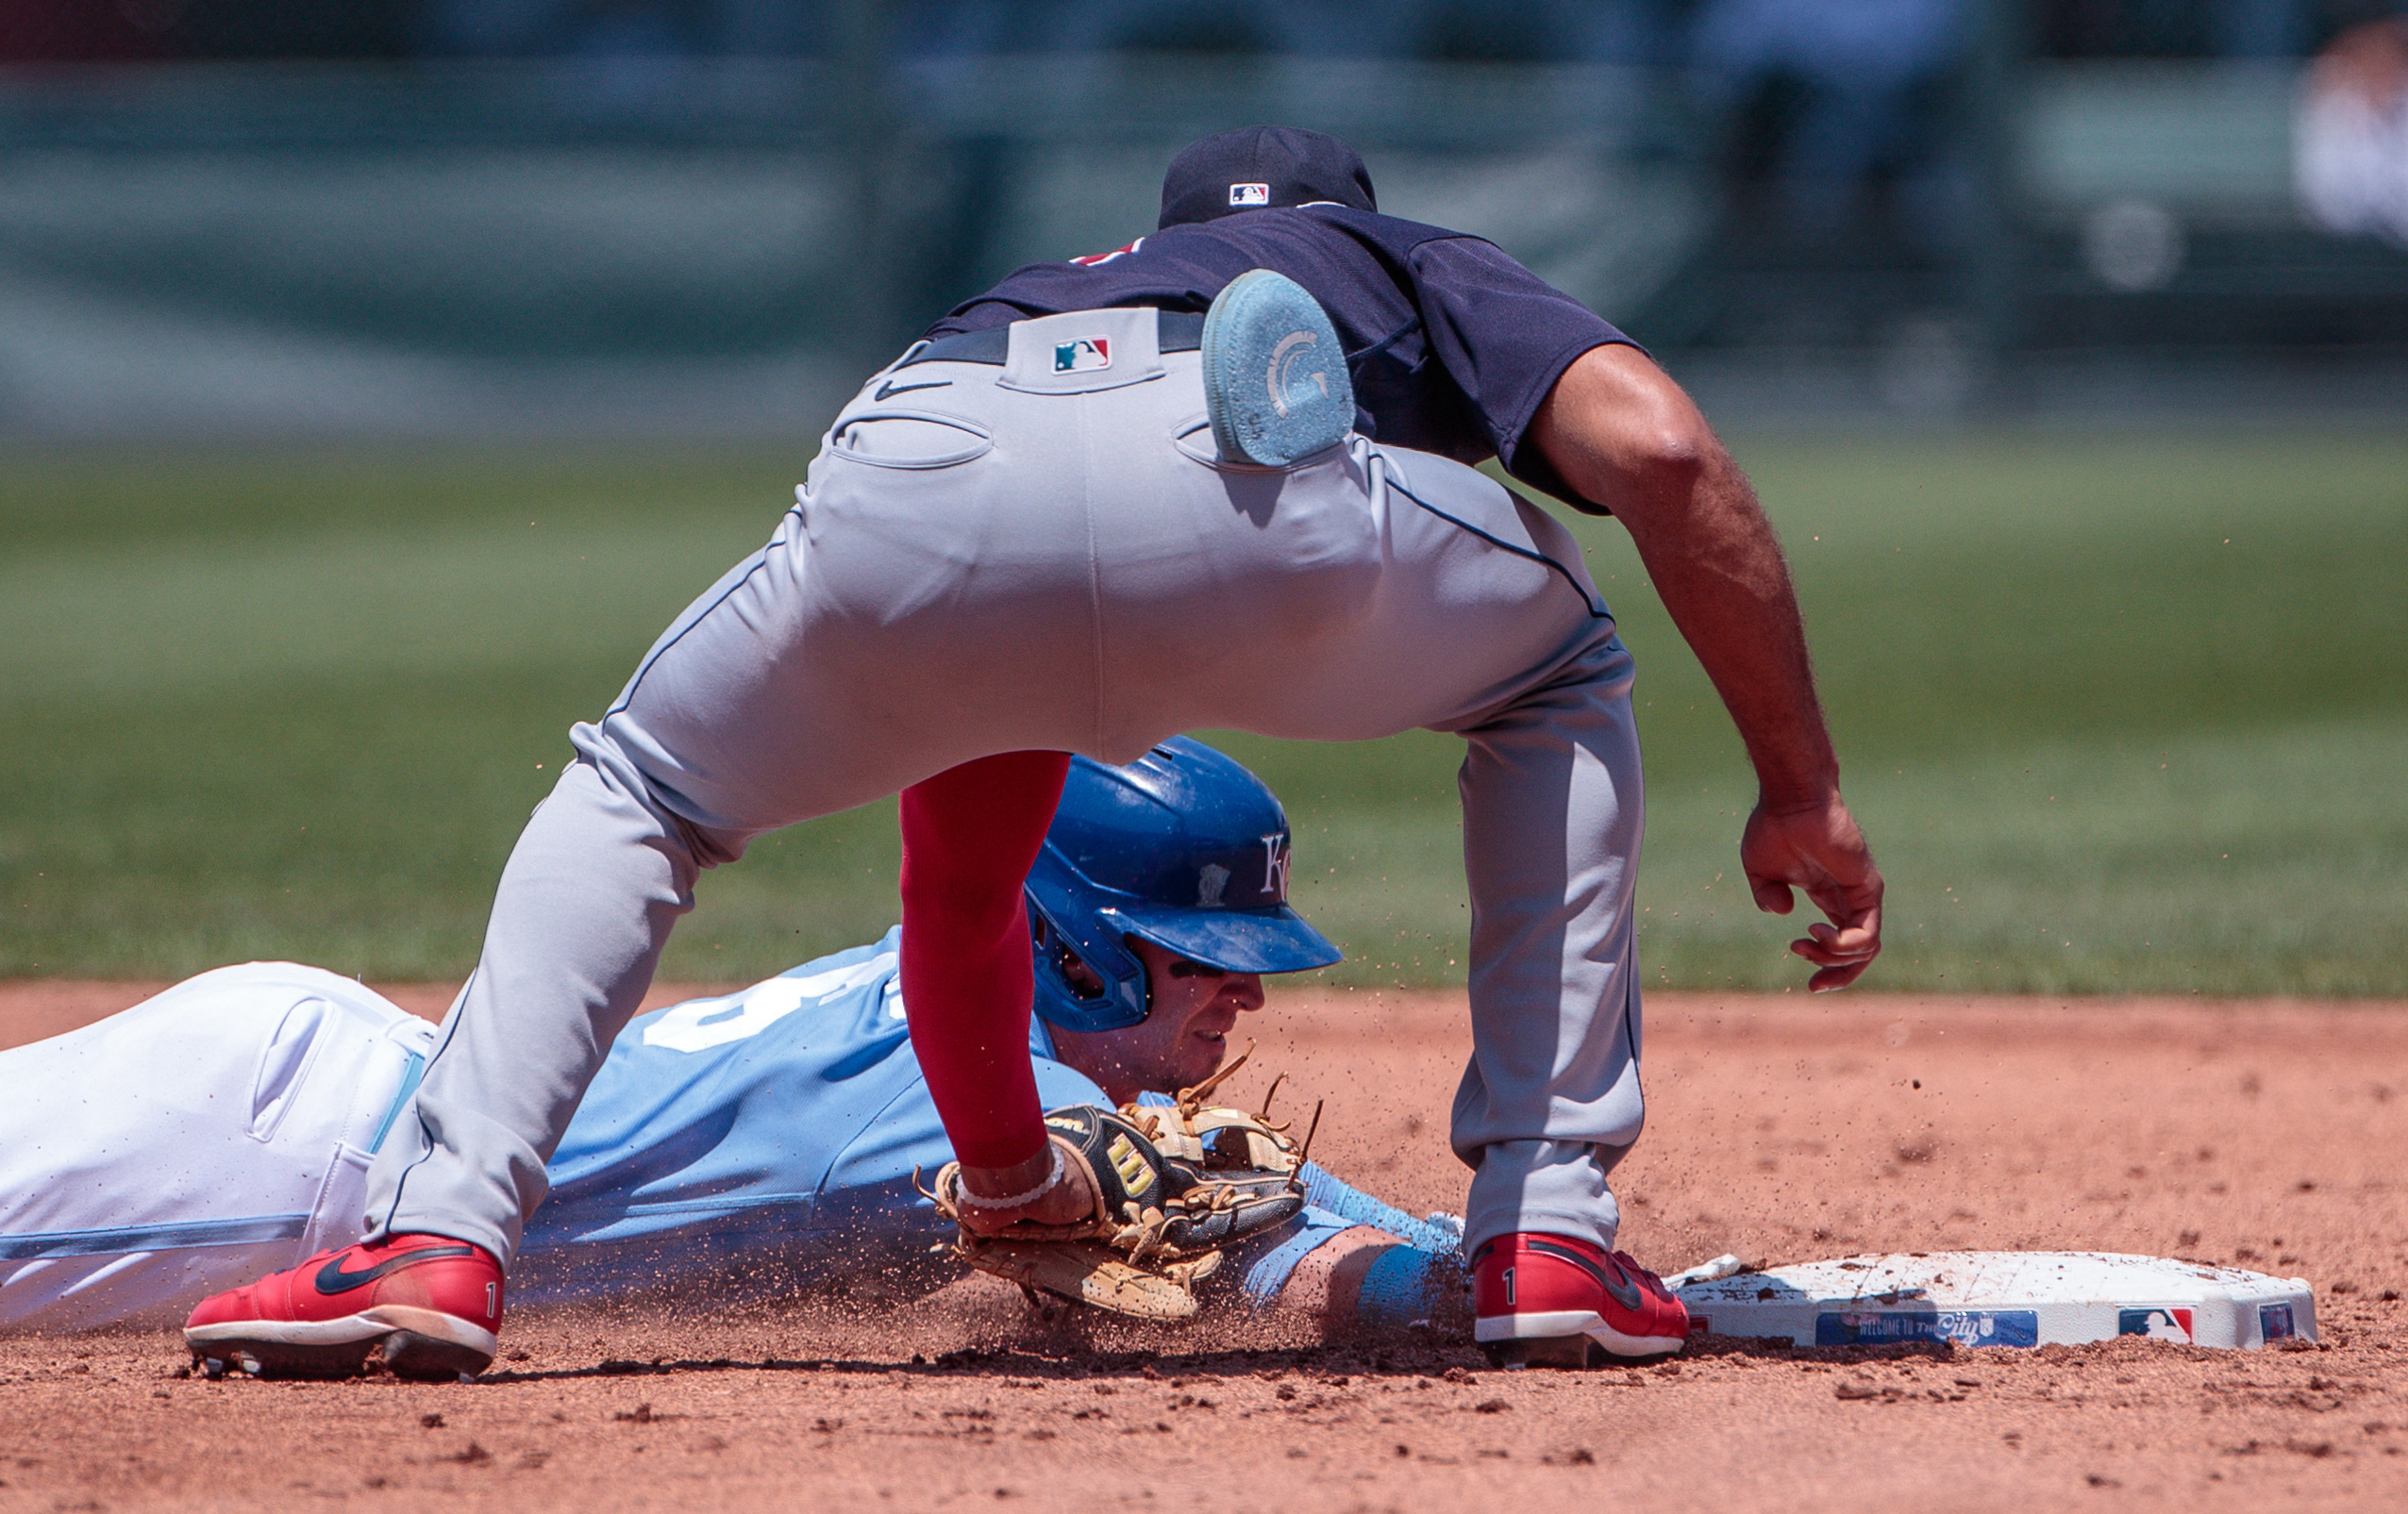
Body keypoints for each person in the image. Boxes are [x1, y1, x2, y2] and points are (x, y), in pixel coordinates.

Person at [187, 125, 1884, 1375]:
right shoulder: (1397, 257)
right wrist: (1798, 784)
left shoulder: (1043, 285)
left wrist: (1012, 1180)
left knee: (639, 789)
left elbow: (963, 887)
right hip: (1239, 443)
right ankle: (1548, 1239)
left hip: (928, 452)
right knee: (1554, 673)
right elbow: (1655, 449)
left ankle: (432, 1239)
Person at [4, 741, 1456, 1360]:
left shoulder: (970, 1042)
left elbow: (1251, 1198)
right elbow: (1293, 1266)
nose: (1244, 1003)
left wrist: (1513, 1254)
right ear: (1073, 938)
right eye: (1205, 962)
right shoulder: (942, 1096)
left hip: (324, 1083)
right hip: (280, 1165)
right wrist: (1462, 1294)